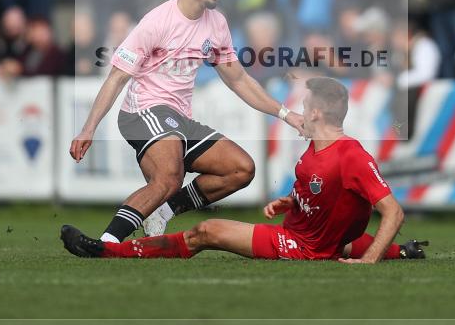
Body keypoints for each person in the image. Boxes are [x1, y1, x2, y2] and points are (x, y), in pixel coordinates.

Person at [68, 0, 306, 244]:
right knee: (169, 177)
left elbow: (238, 79)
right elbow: (117, 77)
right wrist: (88, 128)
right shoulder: (157, 21)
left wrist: (286, 114)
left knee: (241, 169)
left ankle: (163, 211)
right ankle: (107, 243)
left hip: (178, 119)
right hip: (142, 111)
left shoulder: (216, 23)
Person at [61, 76, 428, 263]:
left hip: (300, 247)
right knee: (336, 244)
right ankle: (404, 252)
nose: (300, 110)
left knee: (205, 232)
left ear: (316, 113)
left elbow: (393, 212)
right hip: (309, 237)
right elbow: (332, 204)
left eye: (304, 106)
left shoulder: (350, 155)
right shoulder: (316, 150)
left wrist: (368, 261)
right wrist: (292, 202)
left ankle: (109, 251)